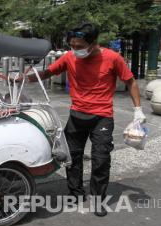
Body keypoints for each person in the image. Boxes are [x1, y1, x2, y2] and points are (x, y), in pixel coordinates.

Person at [23, 23, 146, 216]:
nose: (75, 50)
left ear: (93, 42)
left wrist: (138, 110)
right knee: (72, 157)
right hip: (76, 115)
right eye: (72, 45)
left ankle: (98, 200)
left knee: (101, 160)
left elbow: (130, 81)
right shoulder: (69, 57)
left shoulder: (112, 58)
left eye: (79, 46)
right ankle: (75, 193)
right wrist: (23, 78)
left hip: (102, 117)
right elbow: (48, 73)